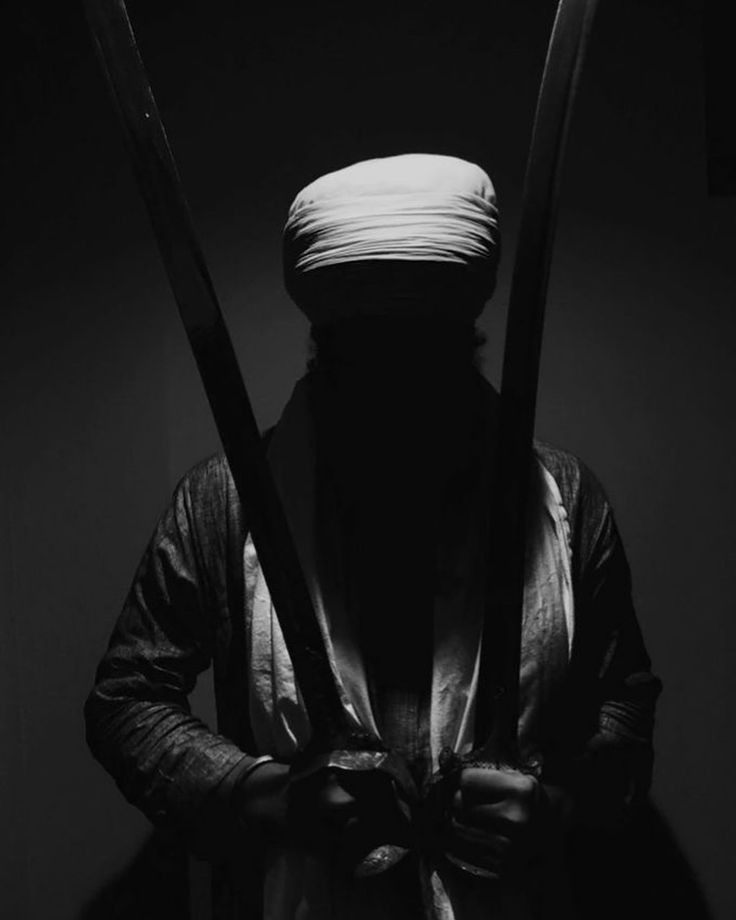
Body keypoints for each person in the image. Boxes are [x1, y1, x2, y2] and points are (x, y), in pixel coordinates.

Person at [85, 153, 661, 919]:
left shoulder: (564, 501)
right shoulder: (227, 502)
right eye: (369, 362)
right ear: (324, 351)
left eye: (426, 359)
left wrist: (558, 807)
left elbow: (623, 699)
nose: (401, 398)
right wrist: (264, 797)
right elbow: (127, 699)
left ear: (470, 347)